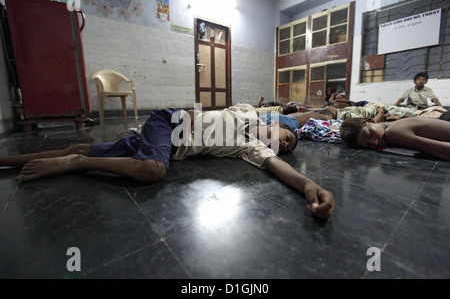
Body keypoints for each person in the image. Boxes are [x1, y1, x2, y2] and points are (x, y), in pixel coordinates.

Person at [0, 104, 335, 219]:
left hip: (165, 146)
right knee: (152, 170)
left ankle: (6, 159)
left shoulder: (251, 149)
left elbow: (281, 169)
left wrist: (308, 184)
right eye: (286, 137)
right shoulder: (247, 111)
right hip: (167, 122)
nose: (281, 145)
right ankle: (75, 162)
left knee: (96, 149)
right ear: (277, 124)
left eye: (285, 147)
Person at [339, 116, 450, 161]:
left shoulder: (393, 132)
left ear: (369, 120)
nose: (375, 142)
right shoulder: (391, 126)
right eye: (368, 145)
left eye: (369, 135)